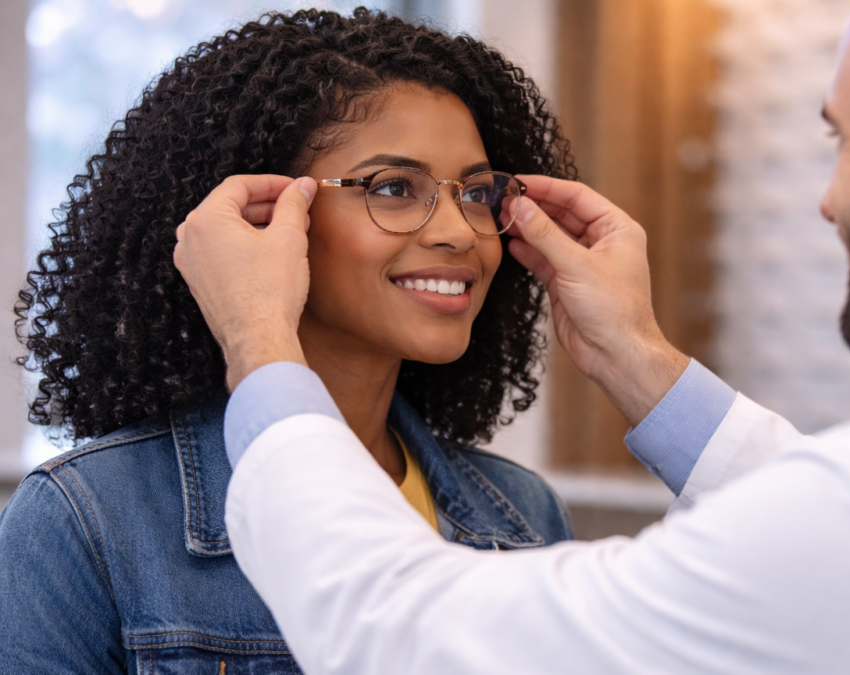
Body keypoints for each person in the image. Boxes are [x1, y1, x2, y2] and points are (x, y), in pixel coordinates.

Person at [176, 0, 850, 673]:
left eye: (842, 140)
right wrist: (641, 360)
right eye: (394, 187)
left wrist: (260, 341)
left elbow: (400, 632)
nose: (828, 201)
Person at [0, 9, 576, 673]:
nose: (459, 230)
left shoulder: (524, 515)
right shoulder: (88, 520)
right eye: (393, 187)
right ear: (261, 216)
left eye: (476, 192)